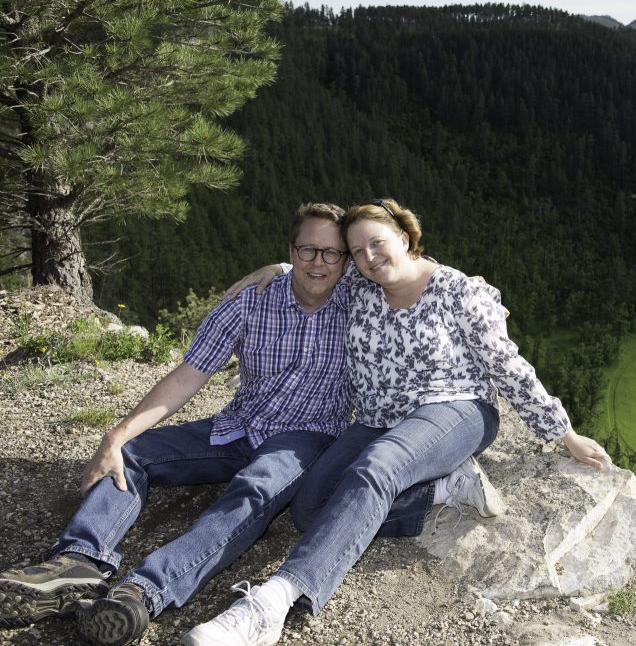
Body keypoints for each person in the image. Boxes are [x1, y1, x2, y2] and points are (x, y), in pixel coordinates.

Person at [0, 203, 488, 646]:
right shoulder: (249, 301)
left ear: (346, 262)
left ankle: (144, 590)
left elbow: (412, 273)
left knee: (253, 492)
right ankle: (80, 562)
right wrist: (118, 433)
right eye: (306, 251)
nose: (319, 263)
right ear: (289, 250)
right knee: (134, 452)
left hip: (307, 437)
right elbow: (189, 374)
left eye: (332, 254)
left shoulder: (358, 297)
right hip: (239, 424)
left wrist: (481, 304)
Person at [183, 198, 610, 645]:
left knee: (376, 468)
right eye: (357, 250)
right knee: (310, 509)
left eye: (377, 243)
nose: (368, 257)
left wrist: (564, 434)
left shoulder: (459, 292)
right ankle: (439, 489)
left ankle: (273, 602)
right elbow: (313, 268)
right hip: (378, 417)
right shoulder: (359, 286)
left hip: (457, 408)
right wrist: (271, 269)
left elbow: (508, 365)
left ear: (405, 238)